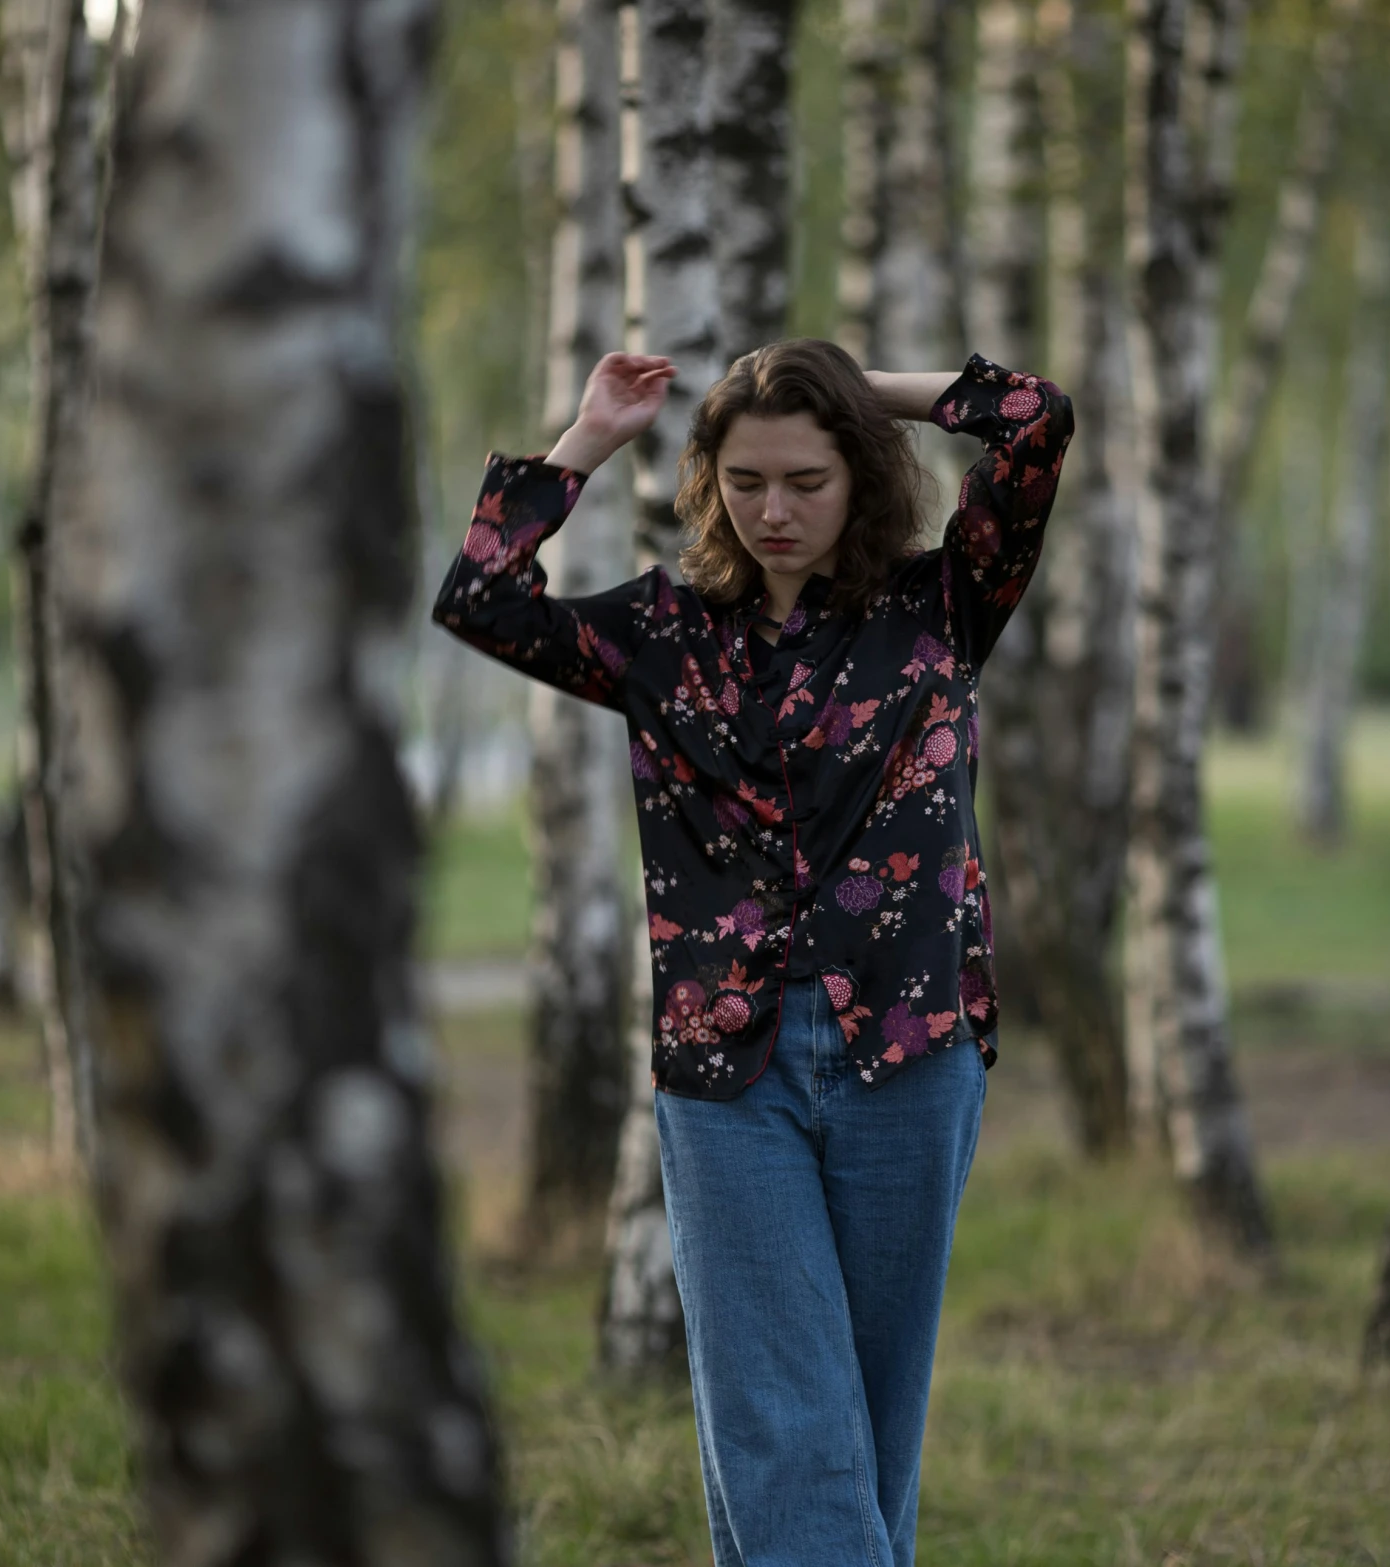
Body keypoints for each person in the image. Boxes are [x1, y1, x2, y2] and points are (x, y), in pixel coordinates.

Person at [434, 338, 1073, 1567]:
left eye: (806, 479)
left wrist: (842, 379)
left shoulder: (942, 605)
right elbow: (481, 599)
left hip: (913, 1054)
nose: (773, 510)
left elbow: (1033, 419)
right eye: (744, 481)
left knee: (867, 1438)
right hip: (727, 1081)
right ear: (707, 484)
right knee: (781, 1424)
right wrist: (586, 440)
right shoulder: (658, 633)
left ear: (863, 477)